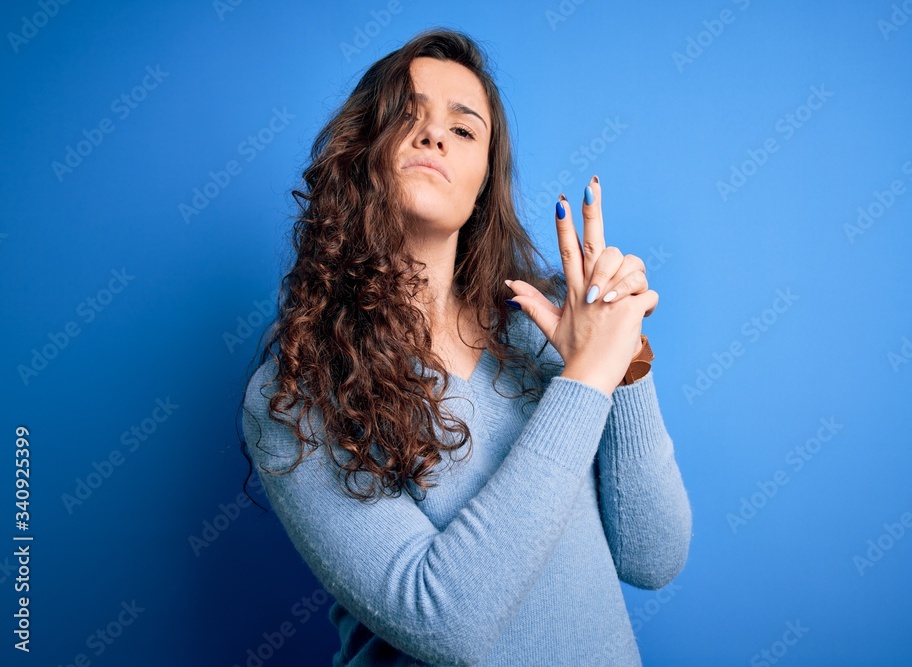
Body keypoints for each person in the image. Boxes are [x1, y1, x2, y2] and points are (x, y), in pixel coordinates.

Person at [240, 27, 692, 666]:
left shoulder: (542, 332)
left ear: (484, 180)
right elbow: (444, 623)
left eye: (463, 129)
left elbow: (654, 558)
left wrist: (624, 357)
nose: (433, 136)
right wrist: (589, 374)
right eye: (407, 116)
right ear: (361, 148)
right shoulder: (295, 390)